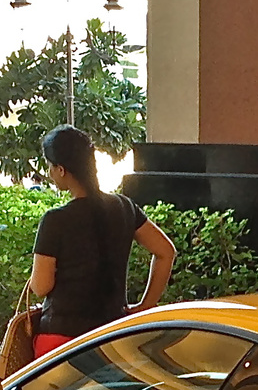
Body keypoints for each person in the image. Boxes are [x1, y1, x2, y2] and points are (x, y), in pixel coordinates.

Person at [27, 125, 176, 358]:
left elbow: (41, 287)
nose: (49, 173)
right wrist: (145, 306)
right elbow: (166, 252)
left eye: (50, 167)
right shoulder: (124, 207)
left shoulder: (56, 219)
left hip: (61, 342)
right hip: (111, 337)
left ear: (62, 169)